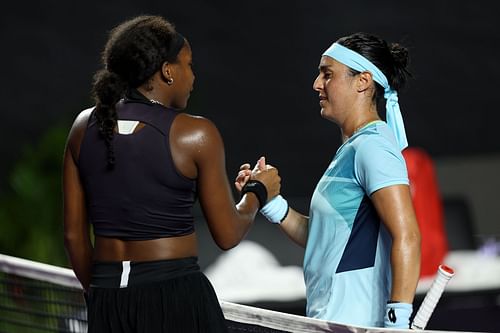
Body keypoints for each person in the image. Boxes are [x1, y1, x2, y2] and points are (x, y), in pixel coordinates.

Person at [62, 15, 281, 333]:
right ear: (167, 70)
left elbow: (73, 237)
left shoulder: (82, 127)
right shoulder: (196, 133)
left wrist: (99, 296)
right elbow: (228, 234)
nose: (192, 77)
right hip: (177, 299)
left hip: (107, 299)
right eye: (188, 65)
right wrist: (258, 192)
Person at [236, 32, 421, 328]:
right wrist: (271, 202)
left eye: (327, 74)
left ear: (362, 81)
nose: (317, 84)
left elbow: (407, 235)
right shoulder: (354, 148)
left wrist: (396, 322)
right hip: (329, 319)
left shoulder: (374, 147)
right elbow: (323, 237)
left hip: (354, 322)